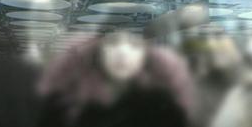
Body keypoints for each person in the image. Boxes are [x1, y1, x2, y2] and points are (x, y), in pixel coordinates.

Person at [36, 31, 195, 127]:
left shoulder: (163, 106)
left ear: (147, 56)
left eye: (134, 45)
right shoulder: (63, 103)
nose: (122, 53)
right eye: (112, 43)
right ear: (96, 53)